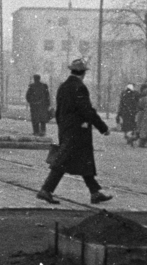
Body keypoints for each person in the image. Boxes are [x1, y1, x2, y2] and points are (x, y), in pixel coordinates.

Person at [37, 58, 112, 205]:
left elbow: (59, 111)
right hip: (78, 131)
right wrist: (103, 127)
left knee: (83, 161)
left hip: (67, 129)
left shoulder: (63, 86)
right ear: (83, 73)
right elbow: (87, 110)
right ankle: (45, 190)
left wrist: (62, 127)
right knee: (64, 161)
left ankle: (95, 192)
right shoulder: (80, 87)